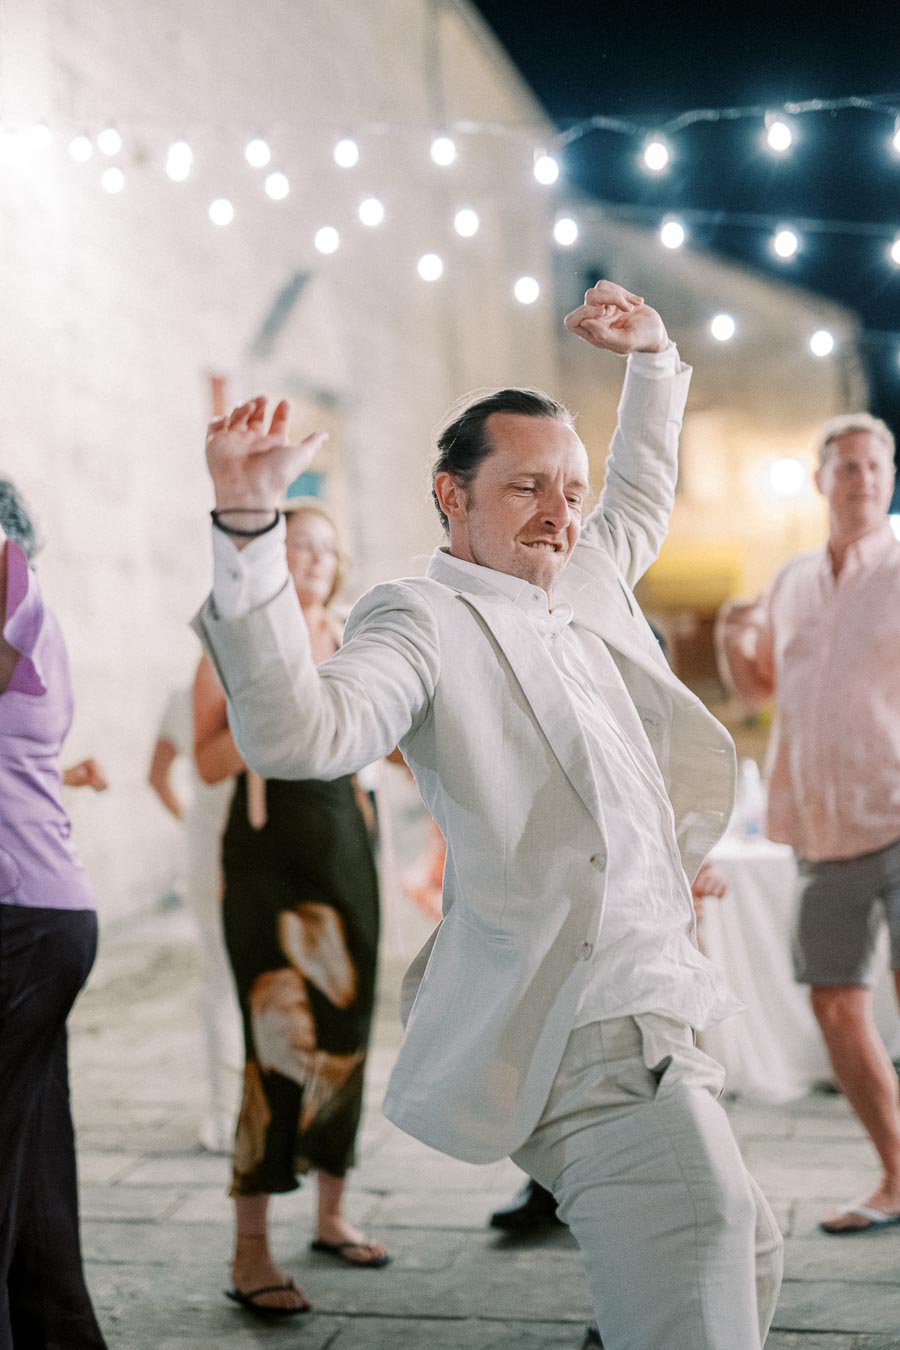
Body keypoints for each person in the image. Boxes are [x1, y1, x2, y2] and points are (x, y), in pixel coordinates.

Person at [195, 280, 783, 1349]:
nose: (560, 510)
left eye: (570, 488)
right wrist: (247, 526)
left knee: (743, 1248)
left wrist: (654, 359)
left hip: (667, 998)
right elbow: (296, 734)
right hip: (582, 1020)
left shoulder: (586, 572)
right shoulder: (417, 618)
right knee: (702, 1239)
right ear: (452, 496)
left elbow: (640, 493)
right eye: (525, 486)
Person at [193, 499, 388, 1320]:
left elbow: (392, 745)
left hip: (347, 852)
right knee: (274, 1045)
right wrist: (272, 706)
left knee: (347, 1033)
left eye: (326, 549)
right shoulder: (235, 642)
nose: (314, 559)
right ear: (274, 556)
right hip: (267, 862)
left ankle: (331, 1214)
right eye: (299, 545)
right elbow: (207, 763)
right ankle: (250, 1249)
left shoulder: (355, 637)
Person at [715, 412, 900, 1236]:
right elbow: (760, 688)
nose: (861, 479)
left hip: (897, 811)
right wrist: (733, 642)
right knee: (833, 1004)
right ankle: (895, 1174)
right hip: (821, 828)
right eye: (846, 467)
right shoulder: (790, 581)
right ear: (821, 479)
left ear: (889, 478)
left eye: (874, 466)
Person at [0, 480, 108, 1350]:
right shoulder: (26, 602)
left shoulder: (7, 578)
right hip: (38, 916)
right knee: (30, 1158)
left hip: (20, 923)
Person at [147, 681, 242, 1151]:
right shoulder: (250, 693)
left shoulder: (182, 698)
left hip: (206, 843)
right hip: (252, 842)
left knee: (219, 978)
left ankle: (226, 1117)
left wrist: (192, 822)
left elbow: (157, 776)